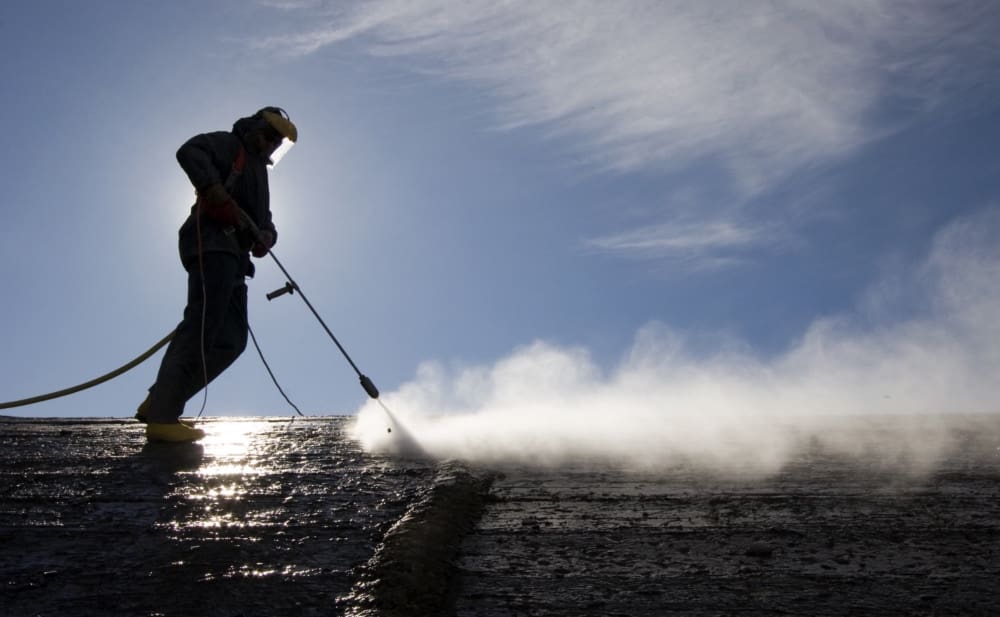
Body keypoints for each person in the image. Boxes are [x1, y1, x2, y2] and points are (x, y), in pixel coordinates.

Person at [137, 107, 298, 442]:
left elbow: (263, 217)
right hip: (211, 245)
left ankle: (162, 399)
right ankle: (163, 416)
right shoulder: (229, 144)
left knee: (232, 340)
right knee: (201, 326)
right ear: (256, 129)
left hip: (237, 260)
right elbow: (189, 150)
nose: (272, 145)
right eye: (270, 136)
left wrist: (267, 234)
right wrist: (212, 188)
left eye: (278, 142)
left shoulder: (260, 172)